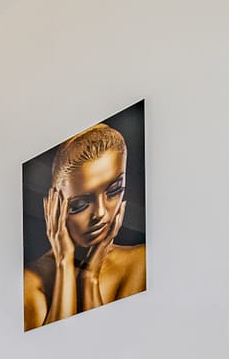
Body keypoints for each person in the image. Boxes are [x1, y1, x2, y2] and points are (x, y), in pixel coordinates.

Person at [23, 122, 146, 329]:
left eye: (114, 190)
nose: (101, 213)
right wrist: (64, 262)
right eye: (79, 204)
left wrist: (90, 277)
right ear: (54, 208)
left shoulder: (139, 262)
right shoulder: (31, 282)